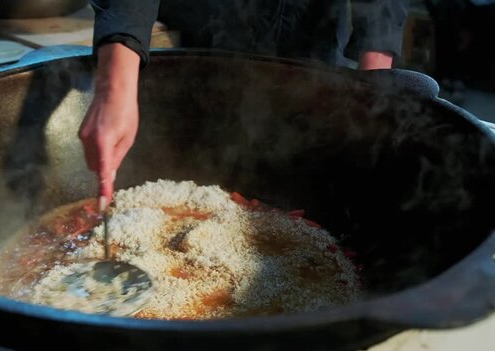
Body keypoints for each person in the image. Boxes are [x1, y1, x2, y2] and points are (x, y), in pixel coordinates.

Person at [79, 0, 409, 209]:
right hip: (209, 40)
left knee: (309, 186)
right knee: (196, 160)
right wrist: (115, 84)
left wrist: (373, 87)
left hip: (310, 40)